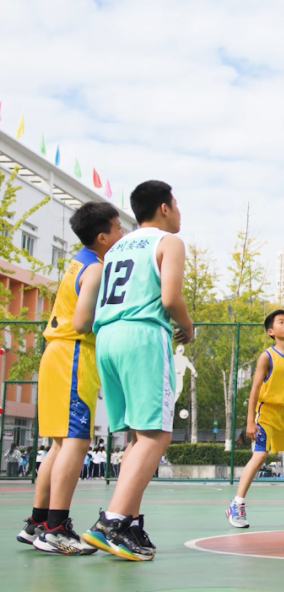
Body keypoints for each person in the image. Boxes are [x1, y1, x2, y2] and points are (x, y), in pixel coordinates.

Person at [81, 180, 193, 562]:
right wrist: (188, 326)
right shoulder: (168, 242)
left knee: (136, 436)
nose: (179, 212)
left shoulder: (115, 249)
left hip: (107, 337)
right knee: (156, 435)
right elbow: (170, 297)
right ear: (164, 207)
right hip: (142, 335)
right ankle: (112, 521)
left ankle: (125, 521)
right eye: (176, 204)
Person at [16, 202, 124, 555]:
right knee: (75, 442)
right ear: (102, 236)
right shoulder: (95, 269)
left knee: (60, 445)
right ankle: (56, 529)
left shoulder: (78, 262)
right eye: (118, 228)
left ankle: (38, 522)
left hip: (58, 355)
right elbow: (81, 322)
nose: (122, 233)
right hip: (74, 356)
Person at [227, 309, 284, 529]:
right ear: (270, 331)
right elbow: (255, 389)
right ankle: (237, 503)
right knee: (260, 455)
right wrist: (250, 421)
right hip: (268, 413)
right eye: (281, 322)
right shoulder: (267, 356)